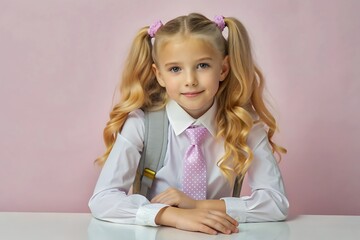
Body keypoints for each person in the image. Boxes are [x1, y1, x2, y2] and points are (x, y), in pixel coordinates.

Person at [89, 13, 289, 235]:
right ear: (160, 75)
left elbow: (276, 203)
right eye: (175, 69)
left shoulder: (244, 124)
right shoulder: (142, 123)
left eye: (202, 65)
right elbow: (102, 199)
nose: (190, 80)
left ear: (223, 69)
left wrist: (197, 206)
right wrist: (172, 215)